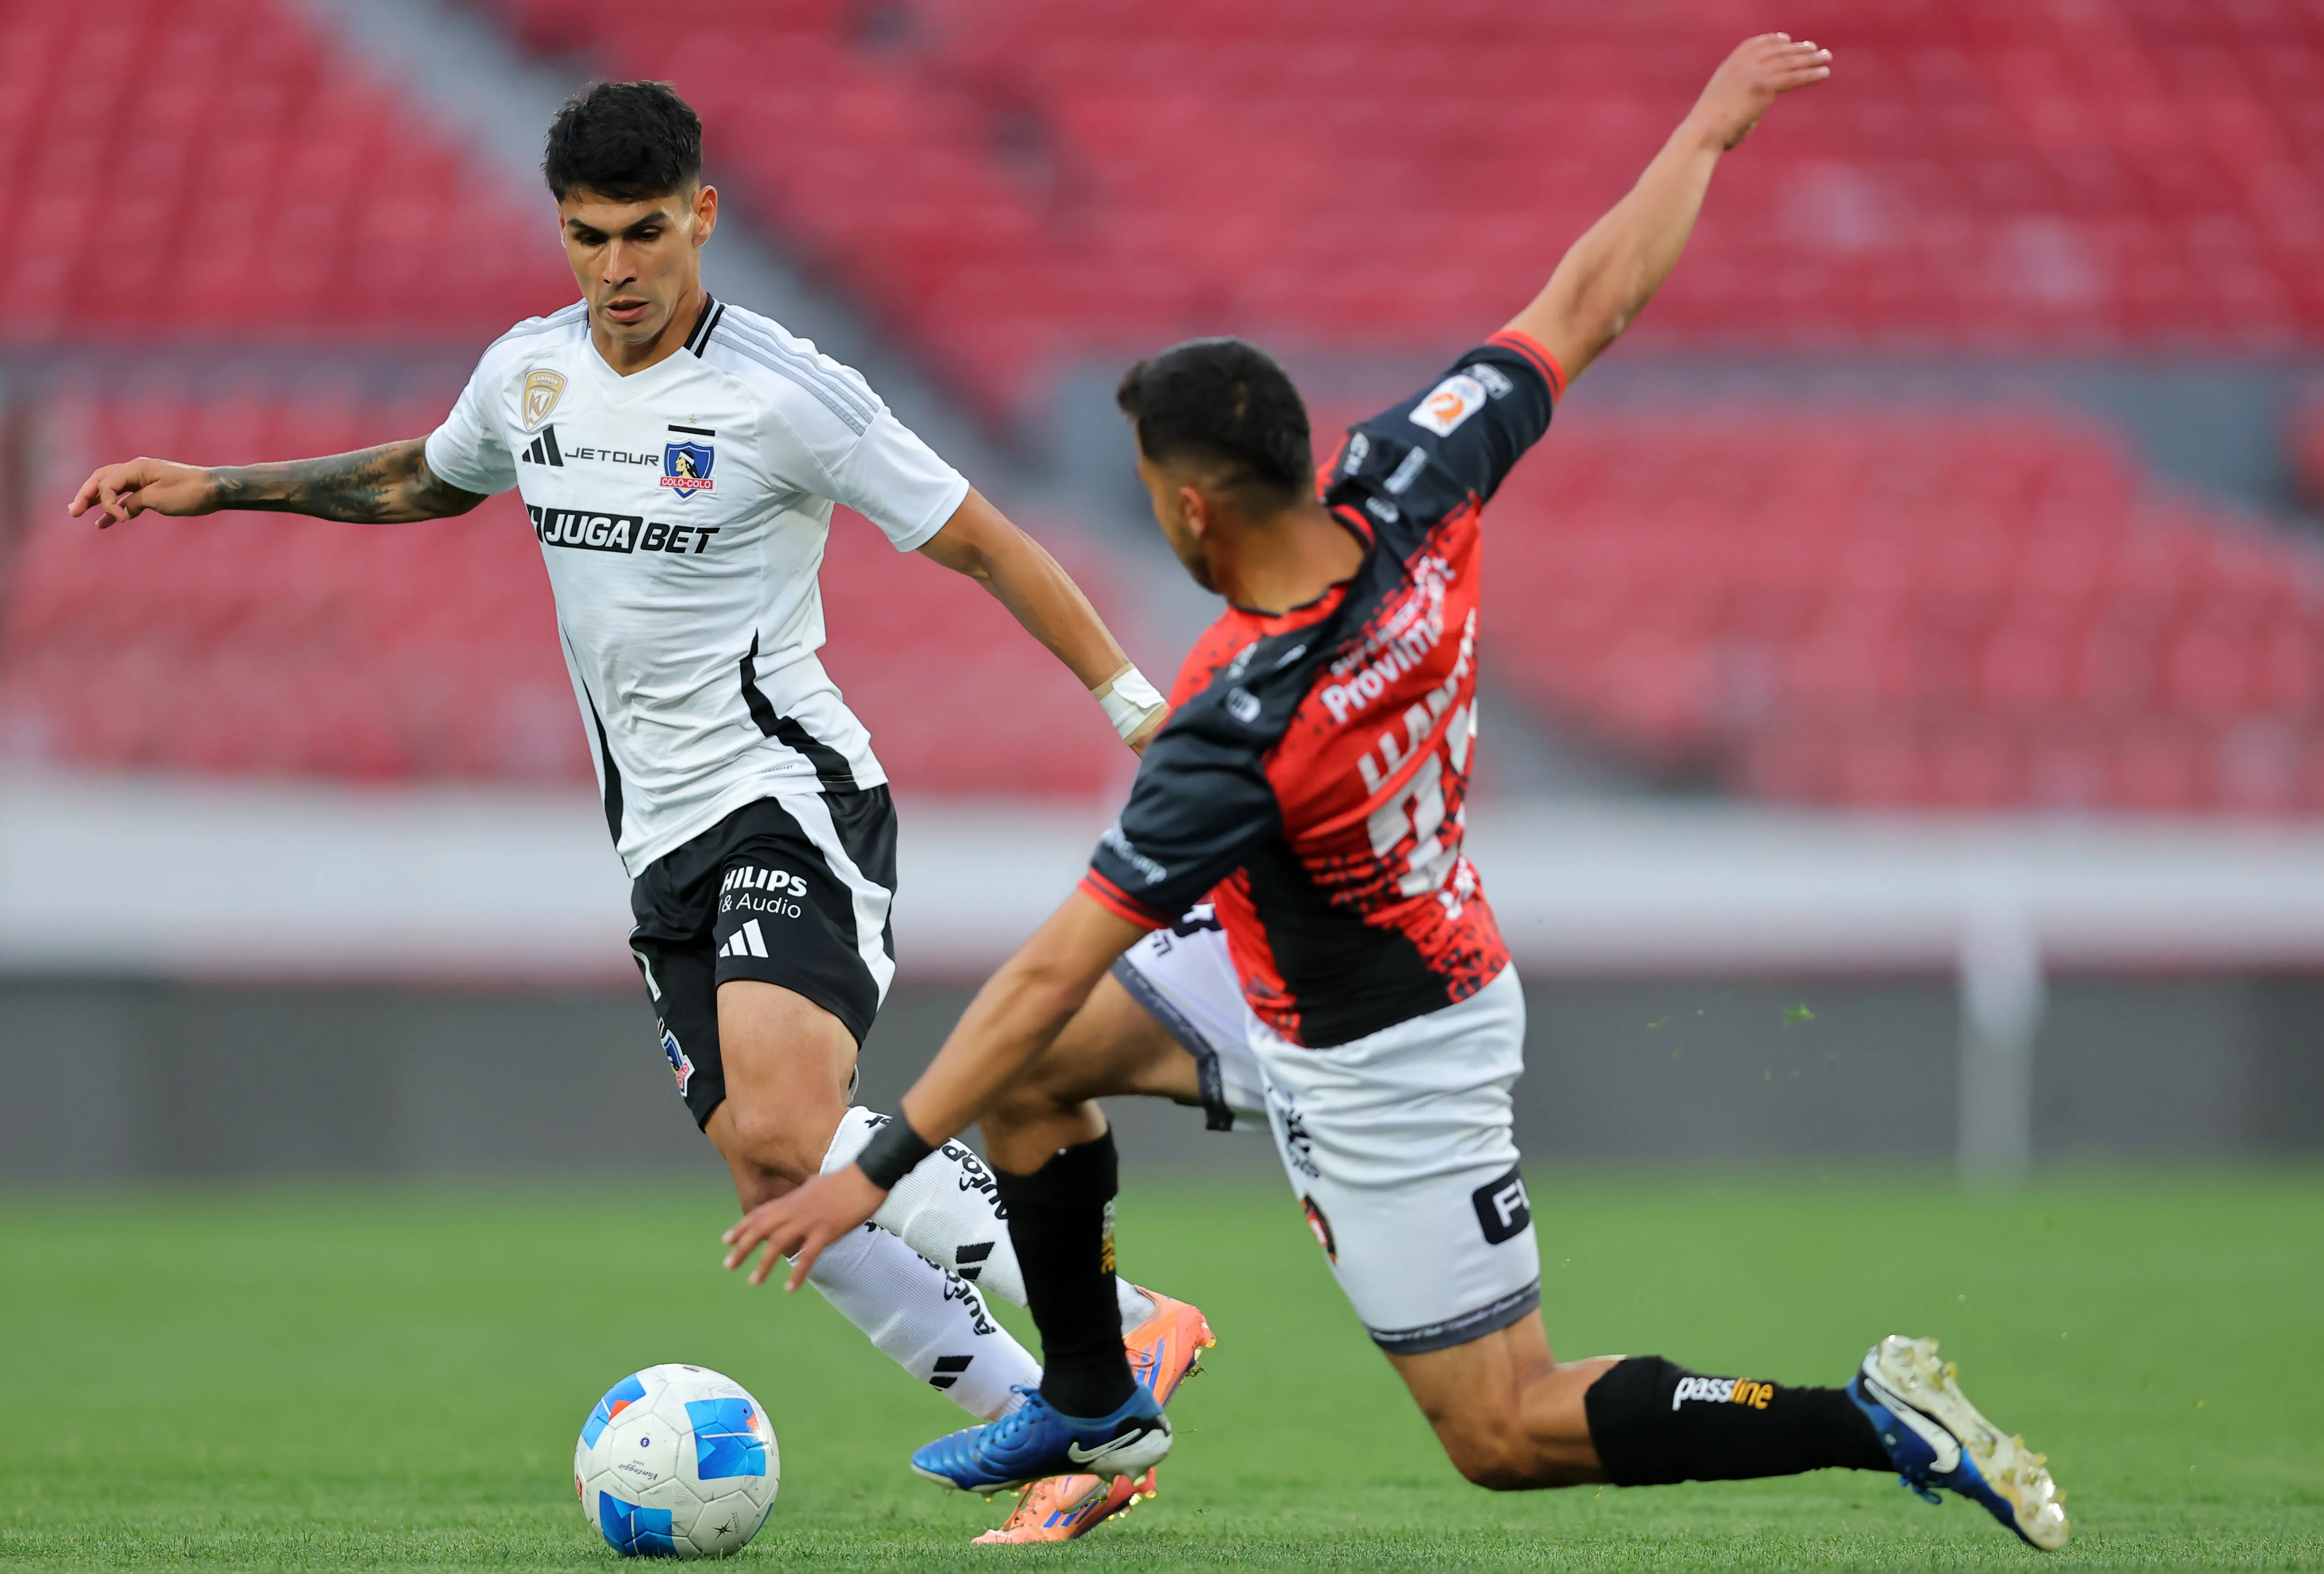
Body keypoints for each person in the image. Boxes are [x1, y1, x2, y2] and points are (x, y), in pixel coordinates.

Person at [722, 34, 2069, 1554]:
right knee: (1039, 1084)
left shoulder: (1244, 718)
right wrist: (1704, 130)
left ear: (1187, 507)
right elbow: (1588, 302)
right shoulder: (1407, 483)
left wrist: (876, 1171)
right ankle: (1098, 1401)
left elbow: (1049, 965)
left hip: (1387, 1057)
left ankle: (1865, 1414)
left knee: (1507, 1429)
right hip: (1291, 955)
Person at [66, 79, 1211, 1543]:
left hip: (789, 798)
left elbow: (984, 541)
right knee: (765, 1162)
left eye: (645, 234)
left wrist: (1131, 704)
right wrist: (215, 488)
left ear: (703, 219)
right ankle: (1045, 1423)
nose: (615, 271)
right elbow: (427, 476)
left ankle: (1119, 1319)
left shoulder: (787, 391)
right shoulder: (530, 374)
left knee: (794, 1114)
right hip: (656, 841)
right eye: (587, 238)